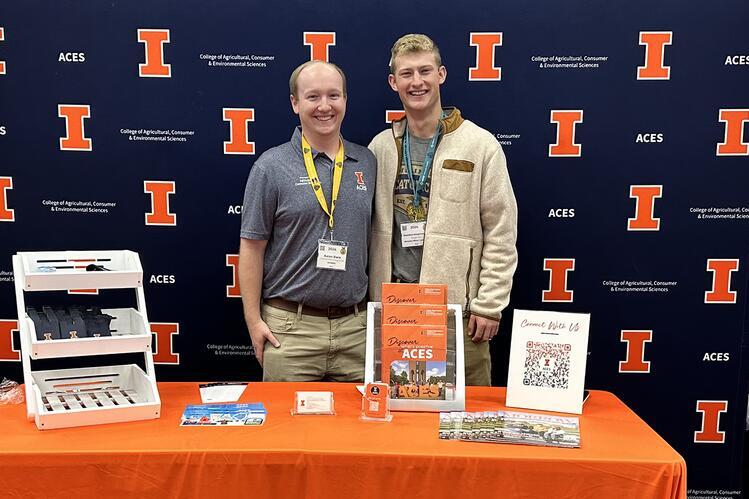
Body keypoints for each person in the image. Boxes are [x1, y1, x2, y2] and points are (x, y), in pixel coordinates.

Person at [368, 34, 518, 386]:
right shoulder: (380, 147)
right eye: (406, 74)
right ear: (394, 82)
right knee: (397, 421)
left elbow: (501, 229)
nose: (416, 82)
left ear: (442, 75)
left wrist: (489, 303)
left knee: (464, 425)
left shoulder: (480, 145)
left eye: (425, 71)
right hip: (394, 311)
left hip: (457, 313)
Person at [239, 60, 376, 382]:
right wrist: (253, 321)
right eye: (313, 97)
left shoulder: (367, 162)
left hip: (357, 331)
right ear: (295, 103)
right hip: (291, 331)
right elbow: (251, 248)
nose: (325, 106)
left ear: (345, 100)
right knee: (289, 433)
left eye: (334, 95)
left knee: (361, 432)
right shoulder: (270, 167)